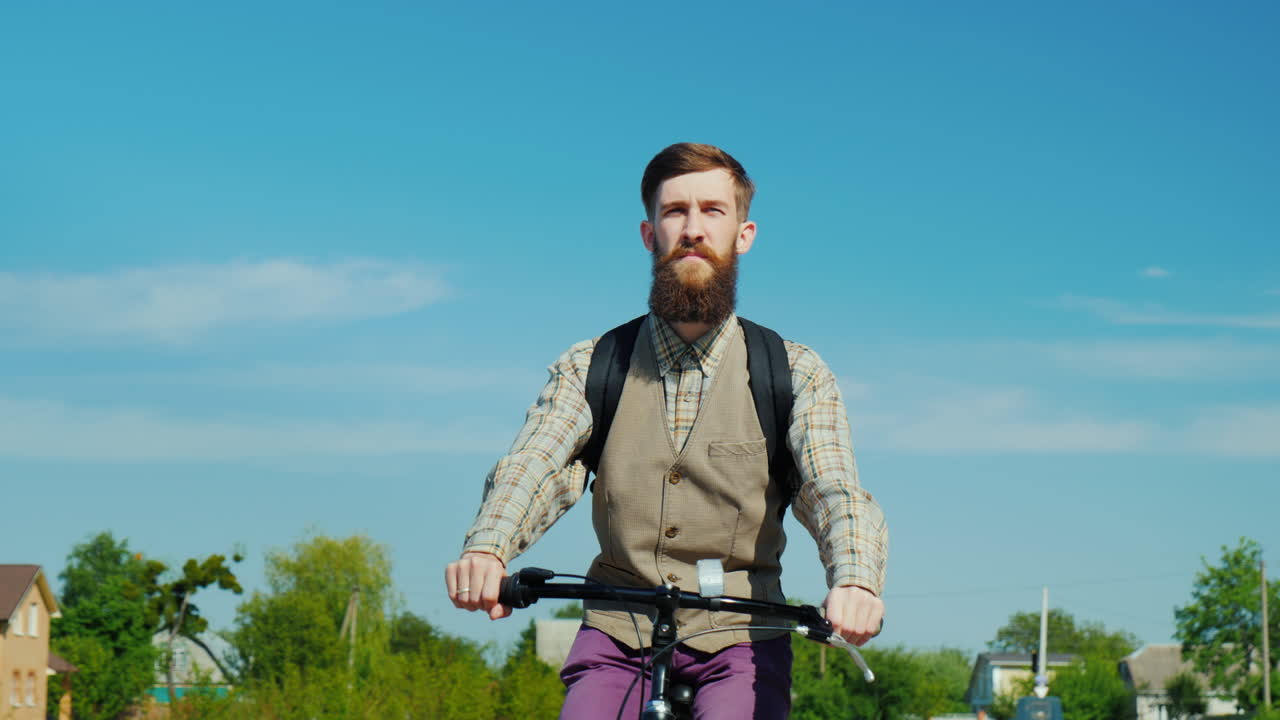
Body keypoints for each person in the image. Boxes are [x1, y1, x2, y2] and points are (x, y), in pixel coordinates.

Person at [445, 142, 887, 719]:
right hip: (616, 629)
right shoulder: (593, 365)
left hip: (744, 637)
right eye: (675, 211)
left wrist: (855, 580)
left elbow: (832, 488)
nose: (693, 228)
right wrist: (487, 549)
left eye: (713, 210)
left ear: (744, 234)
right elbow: (536, 466)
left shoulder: (794, 371)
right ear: (649, 233)